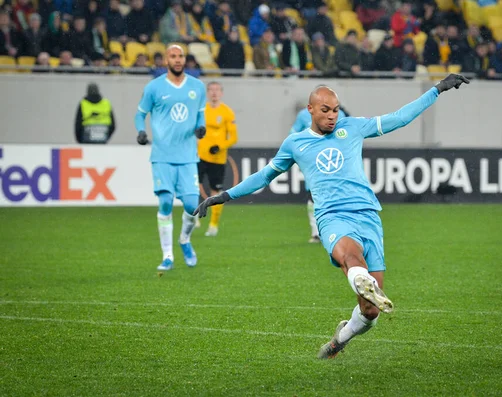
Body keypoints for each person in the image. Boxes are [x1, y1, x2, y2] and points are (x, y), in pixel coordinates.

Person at [194, 74, 469, 358]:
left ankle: (342, 337)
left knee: (370, 311)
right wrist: (224, 195)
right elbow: (264, 176)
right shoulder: (295, 143)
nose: (332, 116)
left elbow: (398, 118)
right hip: (332, 216)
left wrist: (436, 90)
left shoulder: (353, 127)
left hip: (368, 215)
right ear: (310, 110)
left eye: (336, 110)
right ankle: (360, 278)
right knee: (351, 258)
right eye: (325, 110)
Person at [134, 44, 207, 271]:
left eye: (180, 56)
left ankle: (184, 239)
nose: (177, 60)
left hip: (187, 156)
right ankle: (167, 256)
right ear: (166, 60)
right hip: (162, 155)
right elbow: (140, 114)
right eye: (173, 56)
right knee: (165, 201)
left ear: (185, 59)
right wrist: (141, 131)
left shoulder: (197, 86)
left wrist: (201, 128)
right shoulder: (154, 87)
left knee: (192, 205)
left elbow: (200, 115)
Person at [290, 99, 347, 243]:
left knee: (336, 196)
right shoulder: (304, 115)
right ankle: (316, 232)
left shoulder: (340, 114)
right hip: (313, 162)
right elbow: (293, 134)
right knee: (313, 196)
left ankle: (336, 230)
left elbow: (346, 134)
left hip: (333, 161)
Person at [196, 82, 238, 235]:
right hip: (200, 156)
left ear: (221, 93)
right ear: (207, 93)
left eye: (217, 90)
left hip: (218, 158)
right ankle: (193, 216)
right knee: (193, 186)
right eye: (211, 90)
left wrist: (220, 146)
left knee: (216, 191)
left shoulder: (227, 112)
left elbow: (234, 137)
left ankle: (213, 225)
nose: (214, 93)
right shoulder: (202, 110)